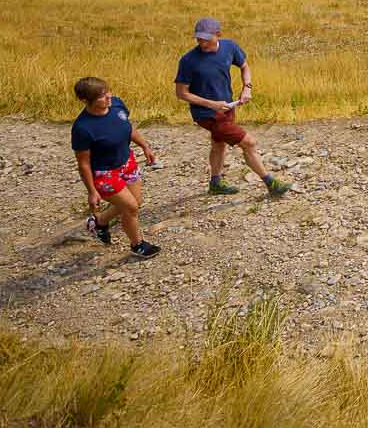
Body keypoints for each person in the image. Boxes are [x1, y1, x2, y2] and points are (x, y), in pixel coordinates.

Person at [175, 16, 289, 197]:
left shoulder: (229, 47)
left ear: (218, 34)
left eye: (206, 37)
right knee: (249, 143)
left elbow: (244, 66)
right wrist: (212, 104)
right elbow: (182, 93)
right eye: (198, 38)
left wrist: (247, 88)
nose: (201, 41)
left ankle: (215, 183)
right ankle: (271, 183)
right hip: (207, 114)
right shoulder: (188, 60)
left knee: (219, 144)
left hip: (228, 107)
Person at [70, 76, 161, 260]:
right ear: (85, 100)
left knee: (135, 203)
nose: (109, 97)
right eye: (102, 96)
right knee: (131, 208)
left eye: (107, 92)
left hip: (127, 163)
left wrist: (145, 146)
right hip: (105, 173)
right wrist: (92, 191)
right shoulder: (82, 128)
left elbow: (127, 127)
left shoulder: (117, 105)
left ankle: (100, 222)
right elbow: (84, 163)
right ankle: (138, 245)